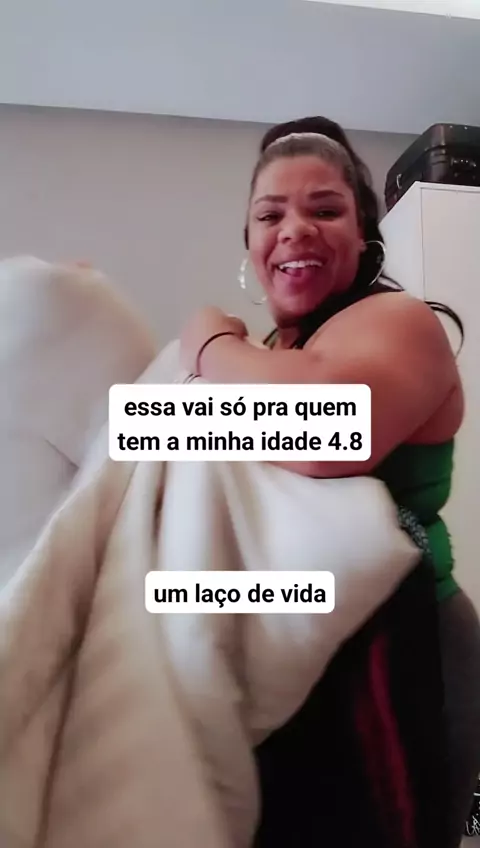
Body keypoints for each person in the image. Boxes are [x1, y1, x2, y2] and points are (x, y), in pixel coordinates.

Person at [180, 117, 480, 847]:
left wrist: (208, 341)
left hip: (402, 652)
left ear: (364, 235)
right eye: (270, 215)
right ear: (251, 244)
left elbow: (327, 430)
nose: (295, 229)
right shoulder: (266, 356)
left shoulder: (401, 320)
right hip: (292, 647)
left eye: (325, 209)